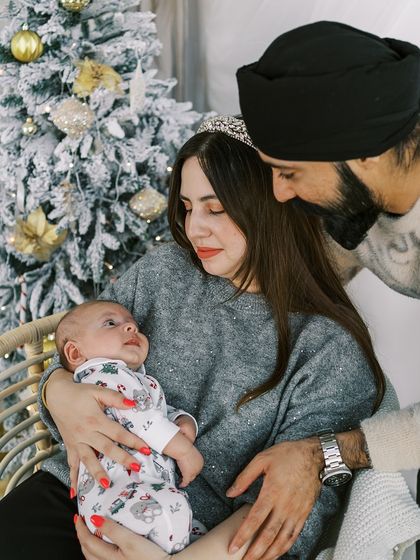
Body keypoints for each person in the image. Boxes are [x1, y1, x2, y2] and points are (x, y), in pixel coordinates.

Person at [0, 116, 384, 560]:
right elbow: (78, 350)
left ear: (273, 204)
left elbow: (283, 511)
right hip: (75, 493)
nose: (194, 228)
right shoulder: (164, 272)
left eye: (215, 209)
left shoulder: (326, 350)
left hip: (188, 540)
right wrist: (57, 390)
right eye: (186, 206)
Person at [227, 19, 420, 558]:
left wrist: (324, 455)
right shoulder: (348, 190)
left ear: (367, 153)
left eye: (288, 172)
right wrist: (68, 388)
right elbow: (270, 301)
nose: (277, 194)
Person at [54, 300, 204, 553]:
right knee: (172, 510)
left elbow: (151, 412)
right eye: (111, 323)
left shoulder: (132, 379)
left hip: (133, 495)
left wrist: (181, 420)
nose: (131, 328)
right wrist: (183, 450)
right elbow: (138, 415)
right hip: (119, 493)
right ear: (76, 354)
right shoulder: (103, 374)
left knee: (192, 529)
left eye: (133, 325)